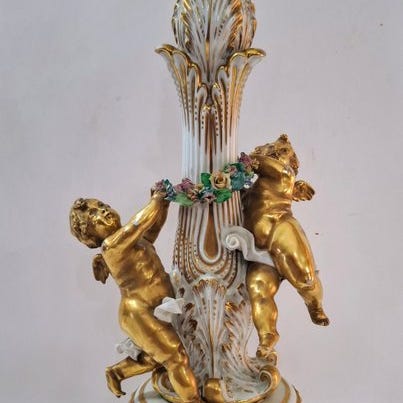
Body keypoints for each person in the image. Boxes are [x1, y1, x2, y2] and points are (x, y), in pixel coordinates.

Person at [69, 194, 201, 402]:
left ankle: (117, 372)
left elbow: (151, 229)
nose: (103, 210)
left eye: (103, 205)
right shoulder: (111, 246)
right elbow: (138, 224)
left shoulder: (134, 241)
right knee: (176, 357)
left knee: (157, 356)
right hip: (139, 312)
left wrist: (164, 205)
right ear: (90, 235)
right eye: (94, 214)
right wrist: (156, 200)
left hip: (157, 304)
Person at [243, 134, 330, 360]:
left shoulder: (283, 173)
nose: (273, 151)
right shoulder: (252, 189)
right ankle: (267, 337)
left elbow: (256, 162)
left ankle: (314, 303)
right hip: (257, 248)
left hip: (280, 229)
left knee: (305, 277)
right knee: (258, 288)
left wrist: (239, 165)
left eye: (280, 151)